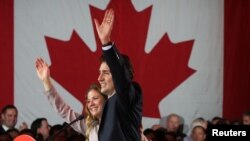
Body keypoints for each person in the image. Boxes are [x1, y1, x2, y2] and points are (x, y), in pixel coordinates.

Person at [94, 9, 142, 141]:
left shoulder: (128, 94)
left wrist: (106, 42)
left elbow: (121, 76)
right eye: (99, 73)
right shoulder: (109, 103)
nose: (99, 78)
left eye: (106, 73)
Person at [35, 58, 107, 141]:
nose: (91, 104)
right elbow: (64, 110)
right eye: (88, 101)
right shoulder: (90, 127)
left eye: (95, 98)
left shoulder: (118, 119)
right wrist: (46, 80)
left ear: (106, 100)